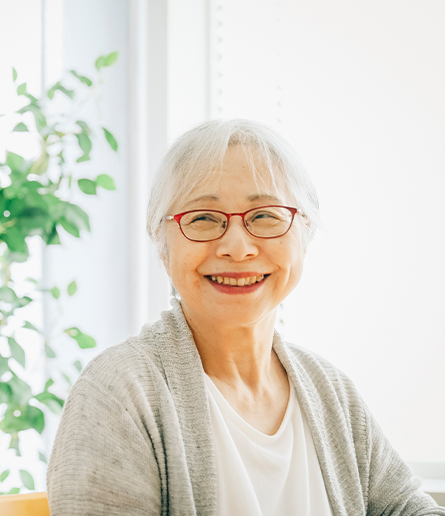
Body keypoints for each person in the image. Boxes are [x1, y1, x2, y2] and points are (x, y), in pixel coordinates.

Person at [46, 119, 444, 515]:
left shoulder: (333, 394)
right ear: (161, 242)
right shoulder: (119, 394)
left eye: (265, 216)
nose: (237, 248)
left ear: (305, 232)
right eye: (203, 218)